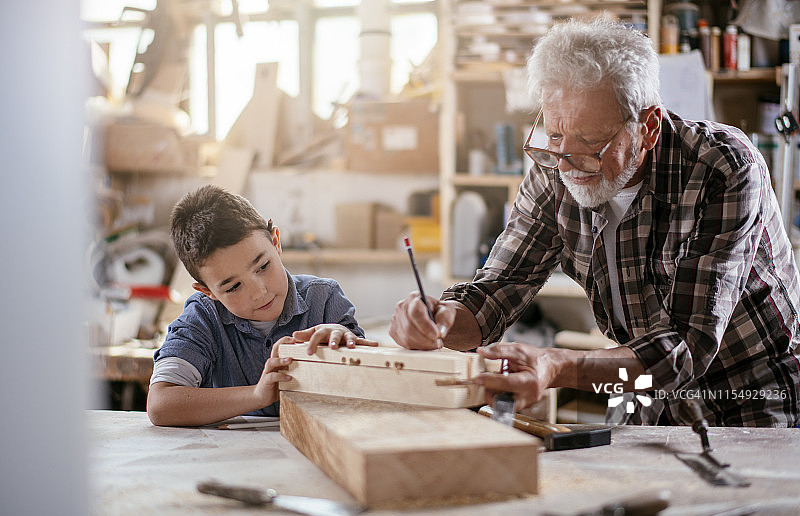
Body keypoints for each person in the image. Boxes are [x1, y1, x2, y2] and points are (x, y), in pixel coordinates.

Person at [390, 18, 800, 427]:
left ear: (649, 126)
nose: (567, 163)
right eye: (554, 137)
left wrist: (557, 365)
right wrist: (441, 320)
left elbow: (684, 348)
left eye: (589, 143)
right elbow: (496, 293)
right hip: (637, 387)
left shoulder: (722, 166)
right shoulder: (554, 171)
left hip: (749, 390)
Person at [147, 185, 377, 427]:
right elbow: (160, 405)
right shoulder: (202, 317)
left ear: (276, 243)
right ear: (208, 291)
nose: (259, 293)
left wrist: (346, 349)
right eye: (233, 287)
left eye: (263, 266)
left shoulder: (324, 299)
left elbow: (369, 389)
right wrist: (256, 395)